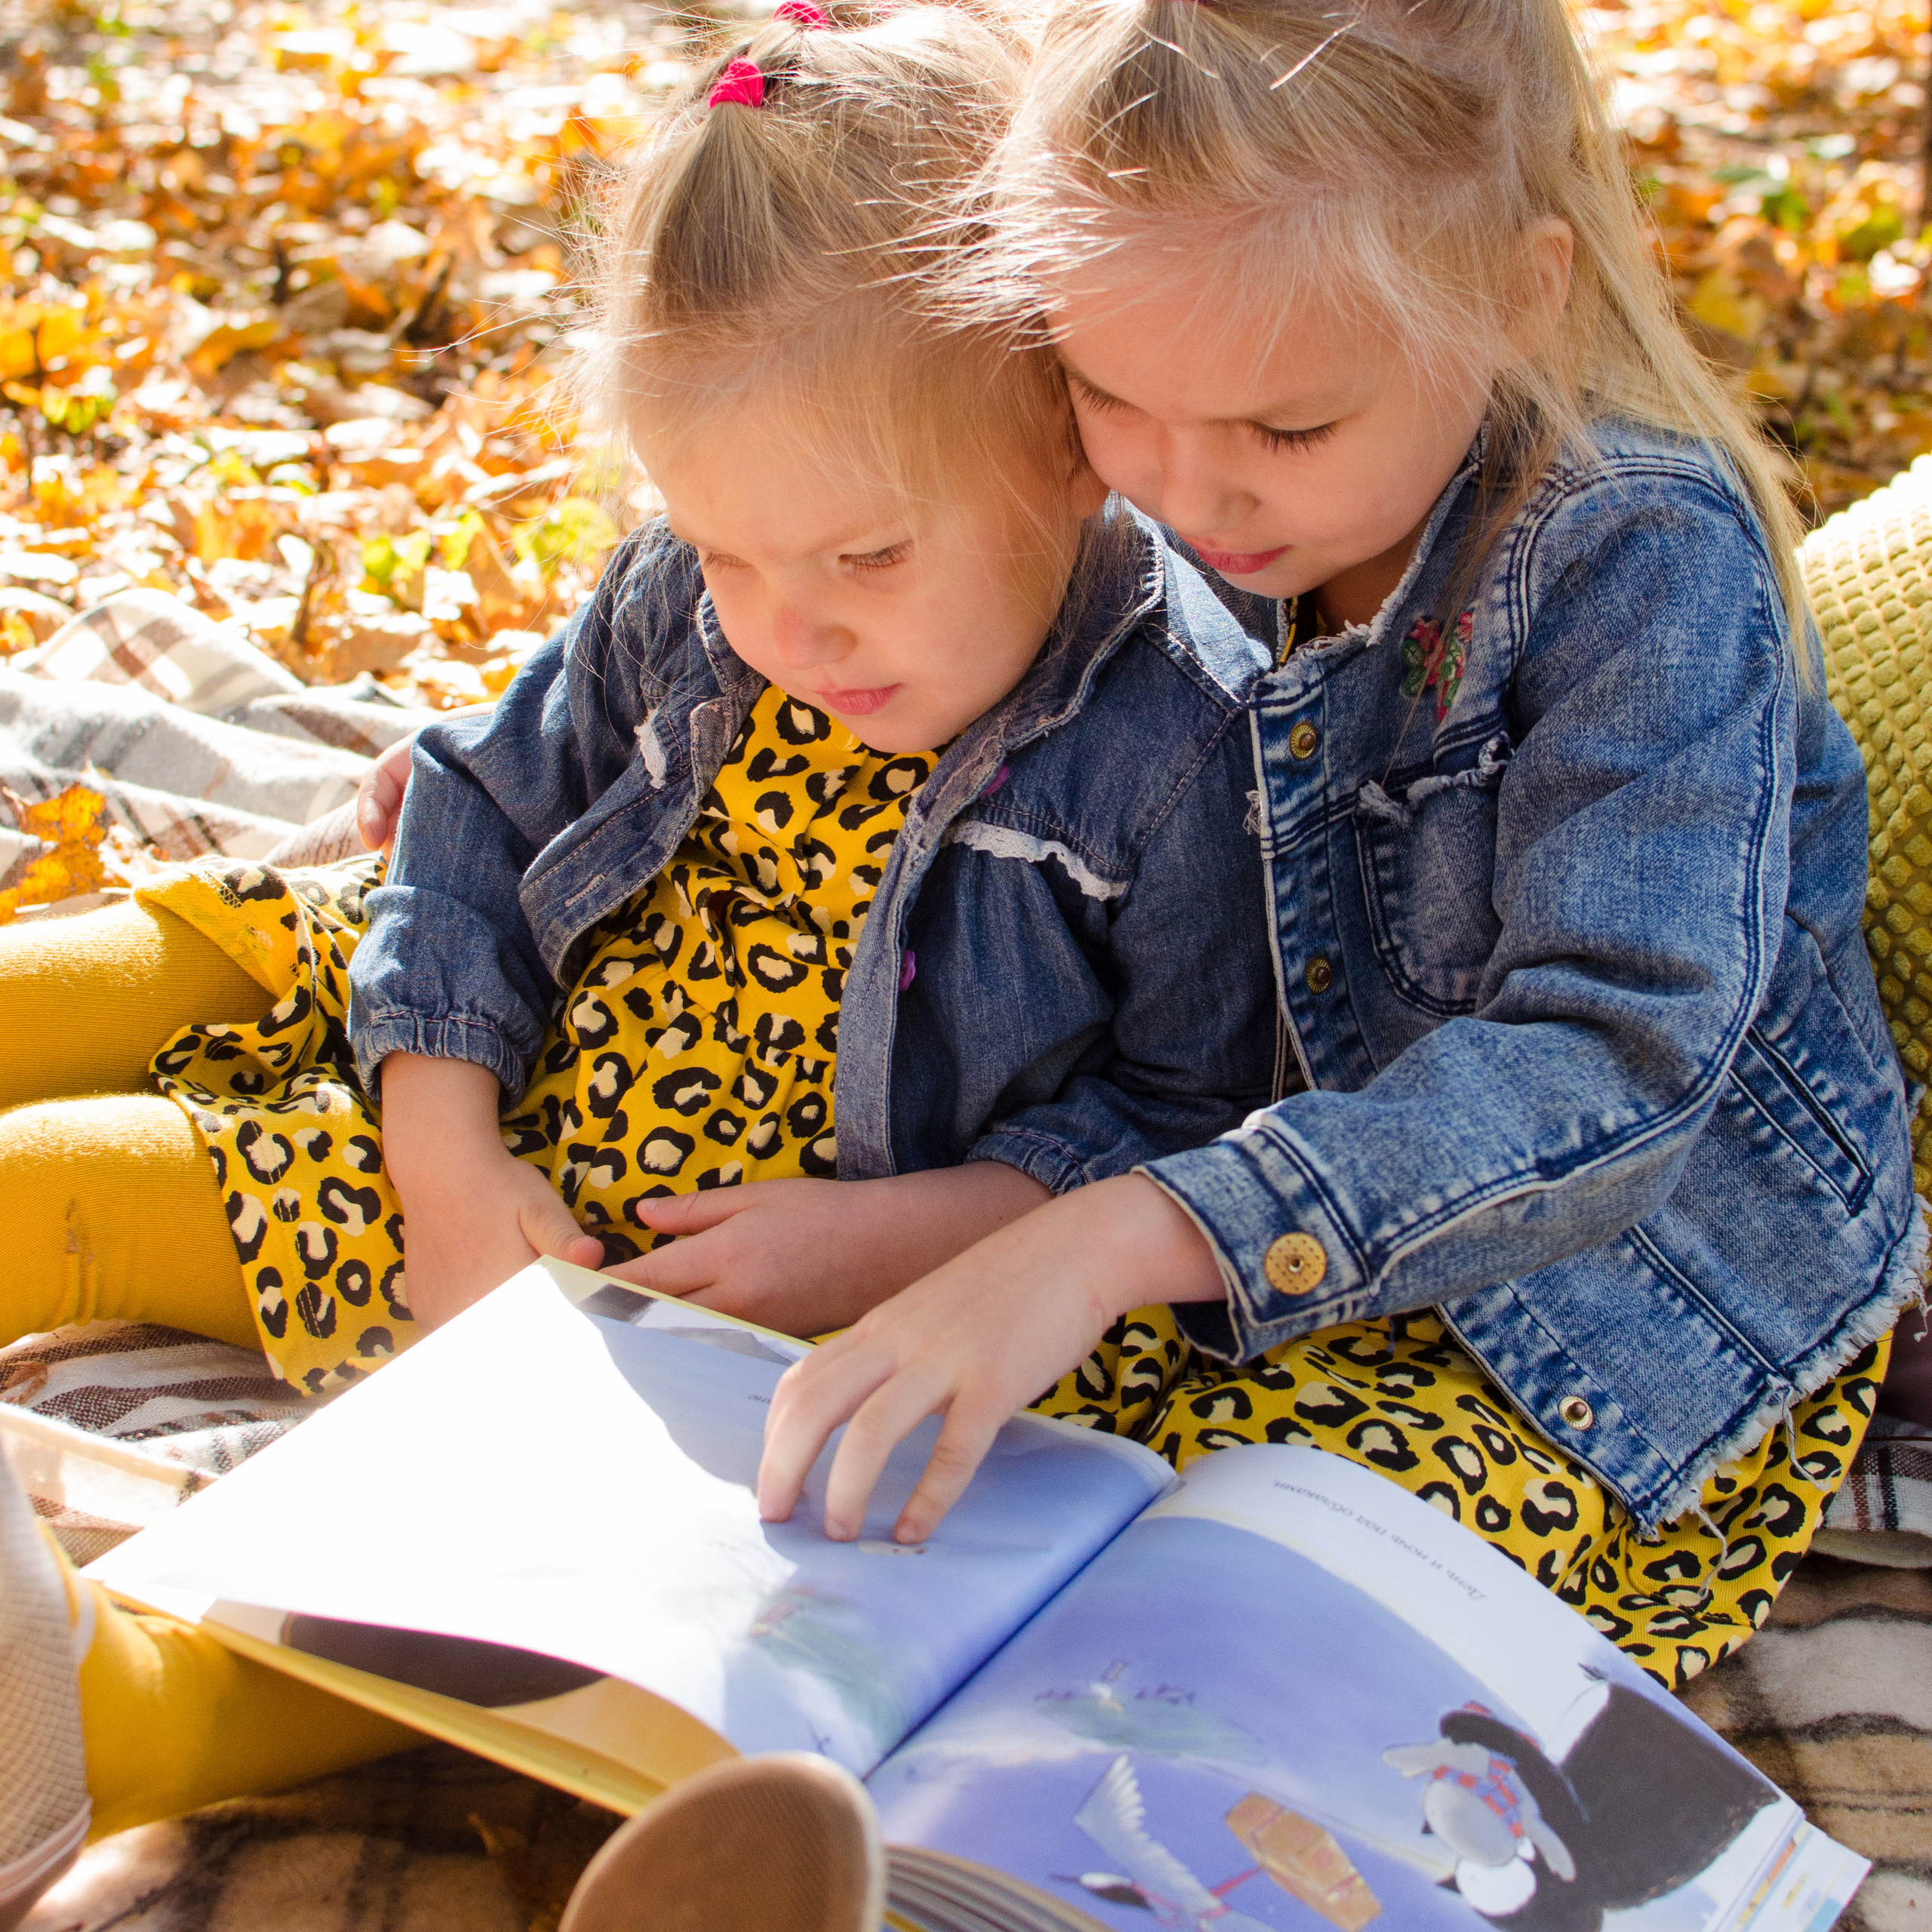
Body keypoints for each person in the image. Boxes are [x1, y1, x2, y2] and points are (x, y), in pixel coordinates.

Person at [0, 4, 1278, 1902]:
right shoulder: (694, 597)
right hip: (521, 1135)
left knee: (627, 1630)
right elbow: (468, 822)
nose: (783, 628)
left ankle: (98, 1719)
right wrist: (444, 1165)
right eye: (723, 552)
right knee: (68, 1185)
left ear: (1065, 445)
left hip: (807, 1307)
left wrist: (892, 1240)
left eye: (860, 560)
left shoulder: (1185, 742)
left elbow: (1191, 1117)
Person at [755, 0, 1926, 1690]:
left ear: (1516, 295)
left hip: (1618, 1313)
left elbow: (1612, 1062)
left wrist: (1103, 1238)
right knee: (921, 1495)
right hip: (1252, 1222)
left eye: (1284, 429)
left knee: (1231, 1627)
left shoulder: (1636, 571)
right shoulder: (1213, 477)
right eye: (1107, 396)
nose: (1188, 493)